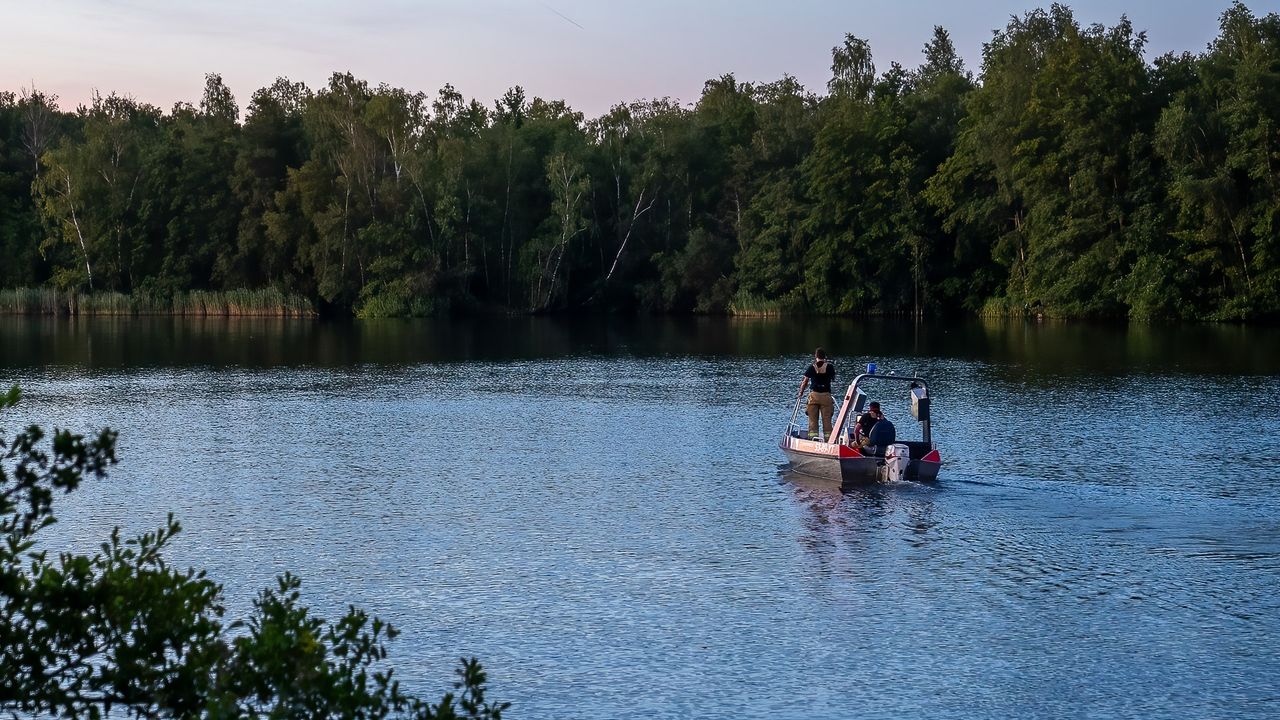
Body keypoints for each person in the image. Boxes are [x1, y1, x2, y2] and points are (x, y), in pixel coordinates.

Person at [798, 347, 836, 440]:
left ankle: (813, 440)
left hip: (814, 396)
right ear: (825, 357)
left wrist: (801, 393)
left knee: (812, 421)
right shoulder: (830, 367)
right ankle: (829, 440)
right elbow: (833, 379)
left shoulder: (812, 367)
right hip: (826, 396)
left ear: (816, 356)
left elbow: (805, 381)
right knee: (827, 420)